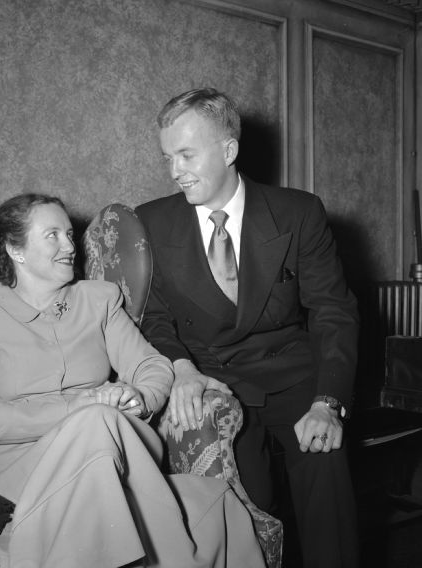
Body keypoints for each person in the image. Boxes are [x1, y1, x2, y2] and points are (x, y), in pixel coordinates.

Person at [0, 193, 265, 568]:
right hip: (17, 473)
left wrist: (136, 398)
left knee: (217, 501)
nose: (69, 246)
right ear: (16, 249)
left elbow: (152, 366)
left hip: (112, 452)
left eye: (69, 233)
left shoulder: (97, 300)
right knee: (98, 421)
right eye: (53, 236)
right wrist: (82, 406)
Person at [135, 88, 360, 568]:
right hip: (213, 377)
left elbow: (333, 312)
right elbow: (154, 316)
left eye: (186, 154)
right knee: (248, 505)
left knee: (325, 463)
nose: (175, 170)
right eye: (167, 157)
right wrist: (180, 370)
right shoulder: (151, 221)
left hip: (293, 376)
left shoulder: (299, 213)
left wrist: (328, 403)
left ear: (229, 150)